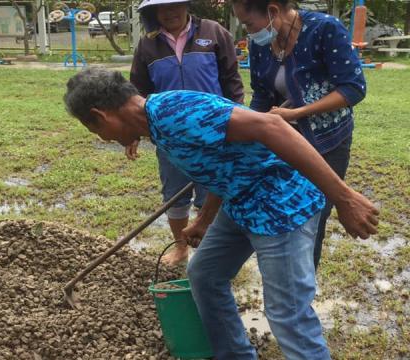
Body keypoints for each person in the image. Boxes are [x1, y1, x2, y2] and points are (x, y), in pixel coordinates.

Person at [63, 68, 379, 359]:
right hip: (240, 203)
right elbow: (221, 161)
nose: (101, 138)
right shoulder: (156, 126)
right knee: (204, 276)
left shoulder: (177, 114)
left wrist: (344, 197)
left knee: (288, 314)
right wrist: (203, 219)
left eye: (93, 130)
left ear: (99, 116)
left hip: (280, 206)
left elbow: (272, 126)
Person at [232, 0, 366, 270]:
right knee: (282, 206)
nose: (248, 32)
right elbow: (261, 93)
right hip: (282, 139)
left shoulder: (324, 29)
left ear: (272, 11)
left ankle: (303, 288)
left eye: (248, 23)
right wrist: (248, 126)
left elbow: (353, 88)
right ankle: (286, 276)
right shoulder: (261, 45)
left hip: (327, 140)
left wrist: (297, 113)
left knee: (313, 215)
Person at [127, 0, 244, 265]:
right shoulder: (148, 43)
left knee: (212, 192)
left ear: (186, 6)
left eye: (175, 5)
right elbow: (138, 90)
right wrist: (134, 131)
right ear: (153, 12)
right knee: (174, 193)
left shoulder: (213, 32)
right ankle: (180, 248)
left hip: (212, 132)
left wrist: (239, 121)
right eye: (163, 7)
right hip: (168, 135)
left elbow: (231, 80)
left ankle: (209, 251)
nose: (170, 12)